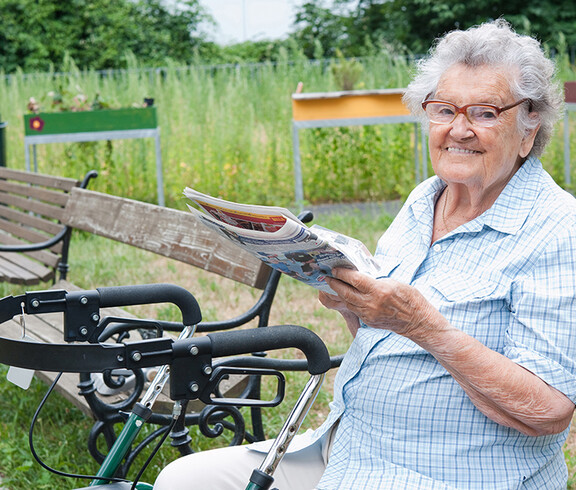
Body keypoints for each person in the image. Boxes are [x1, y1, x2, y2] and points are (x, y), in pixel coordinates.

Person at [154, 20, 576, 489]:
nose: (458, 129)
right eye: (443, 109)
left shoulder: (558, 230)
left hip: (440, 472)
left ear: (529, 123)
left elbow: (549, 410)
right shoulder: (426, 199)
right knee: (184, 480)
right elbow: (381, 334)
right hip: (347, 444)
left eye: (484, 112)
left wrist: (421, 324)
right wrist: (354, 305)